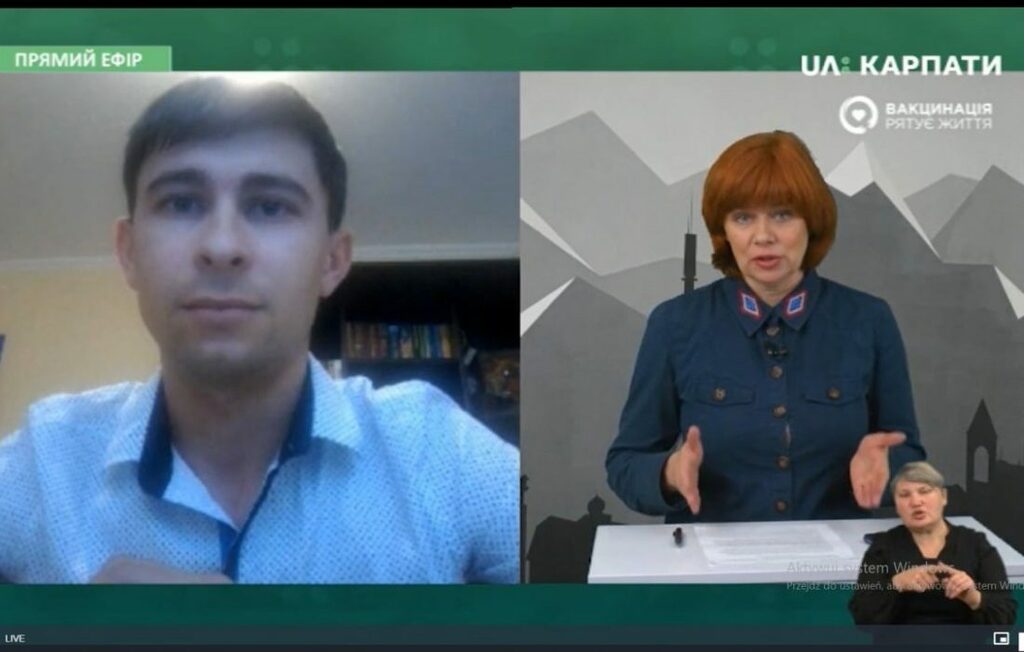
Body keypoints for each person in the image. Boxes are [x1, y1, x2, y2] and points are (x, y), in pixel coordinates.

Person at [0, 77, 519, 584]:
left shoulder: (439, 451)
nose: (222, 246)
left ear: (332, 261)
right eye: (181, 203)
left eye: (270, 206)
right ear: (129, 252)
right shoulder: (42, 463)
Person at [606, 130, 925, 523]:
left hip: (834, 558)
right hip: (709, 558)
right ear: (724, 231)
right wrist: (669, 473)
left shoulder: (869, 320)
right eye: (743, 217)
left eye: (782, 215)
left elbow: (909, 455)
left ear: (812, 222)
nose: (763, 237)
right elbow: (626, 464)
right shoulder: (674, 324)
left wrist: (887, 468)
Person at [848, 461, 1016, 624]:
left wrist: (973, 597)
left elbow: (1006, 616)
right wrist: (896, 584)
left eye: (925, 491)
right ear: (897, 506)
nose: (916, 502)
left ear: (943, 497)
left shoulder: (976, 545)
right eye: (904, 495)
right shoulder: (882, 548)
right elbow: (862, 617)